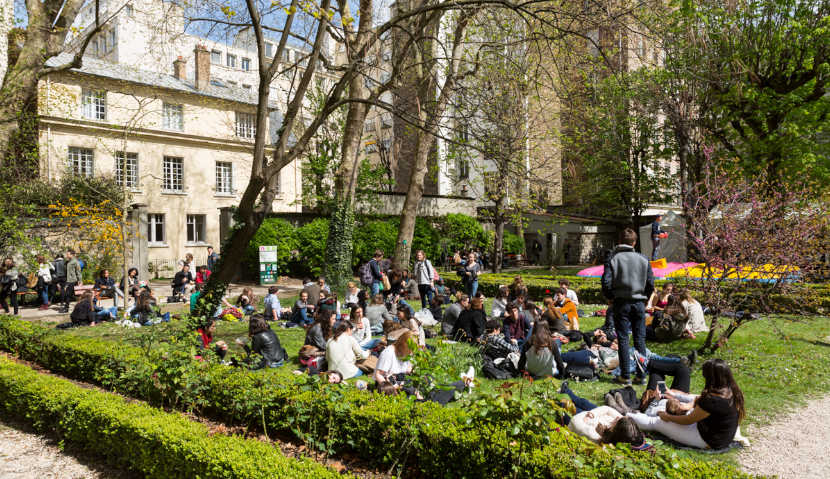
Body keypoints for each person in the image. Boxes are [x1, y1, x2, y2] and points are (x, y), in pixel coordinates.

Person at [628, 359, 745, 450]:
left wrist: (666, 417)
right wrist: (672, 394)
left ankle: (625, 415)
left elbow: (688, 420)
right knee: (666, 412)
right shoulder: (729, 390)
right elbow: (697, 399)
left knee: (657, 422)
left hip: (707, 440)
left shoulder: (712, 400)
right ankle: (629, 413)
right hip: (717, 435)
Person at [601, 228, 654, 386]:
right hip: (638, 302)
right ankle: (641, 374)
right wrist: (645, 299)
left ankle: (625, 375)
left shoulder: (613, 259)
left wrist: (610, 297)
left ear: (619, 241)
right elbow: (650, 283)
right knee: (640, 339)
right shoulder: (644, 259)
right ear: (635, 242)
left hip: (621, 302)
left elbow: (606, 282)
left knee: (623, 339)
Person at [559, 382, 649, 449]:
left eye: (617, 421)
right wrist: (593, 413)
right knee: (584, 402)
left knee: (569, 408)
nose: (618, 417)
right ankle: (566, 391)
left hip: (580, 419)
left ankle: (557, 399)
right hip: (594, 415)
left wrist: (587, 415)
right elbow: (607, 409)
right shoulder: (625, 427)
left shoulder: (595, 437)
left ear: (615, 431)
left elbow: (575, 422)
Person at [62, 249, 83, 313]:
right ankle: (70, 307)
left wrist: (80, 280)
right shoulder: (68, 261)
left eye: (68, 254)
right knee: (69, 294)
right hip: (68, 280)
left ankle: (66, 308)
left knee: (68, 294)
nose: (67, 255)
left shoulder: (75, 262)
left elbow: (78, 271)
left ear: (72, 255)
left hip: (72, 280)